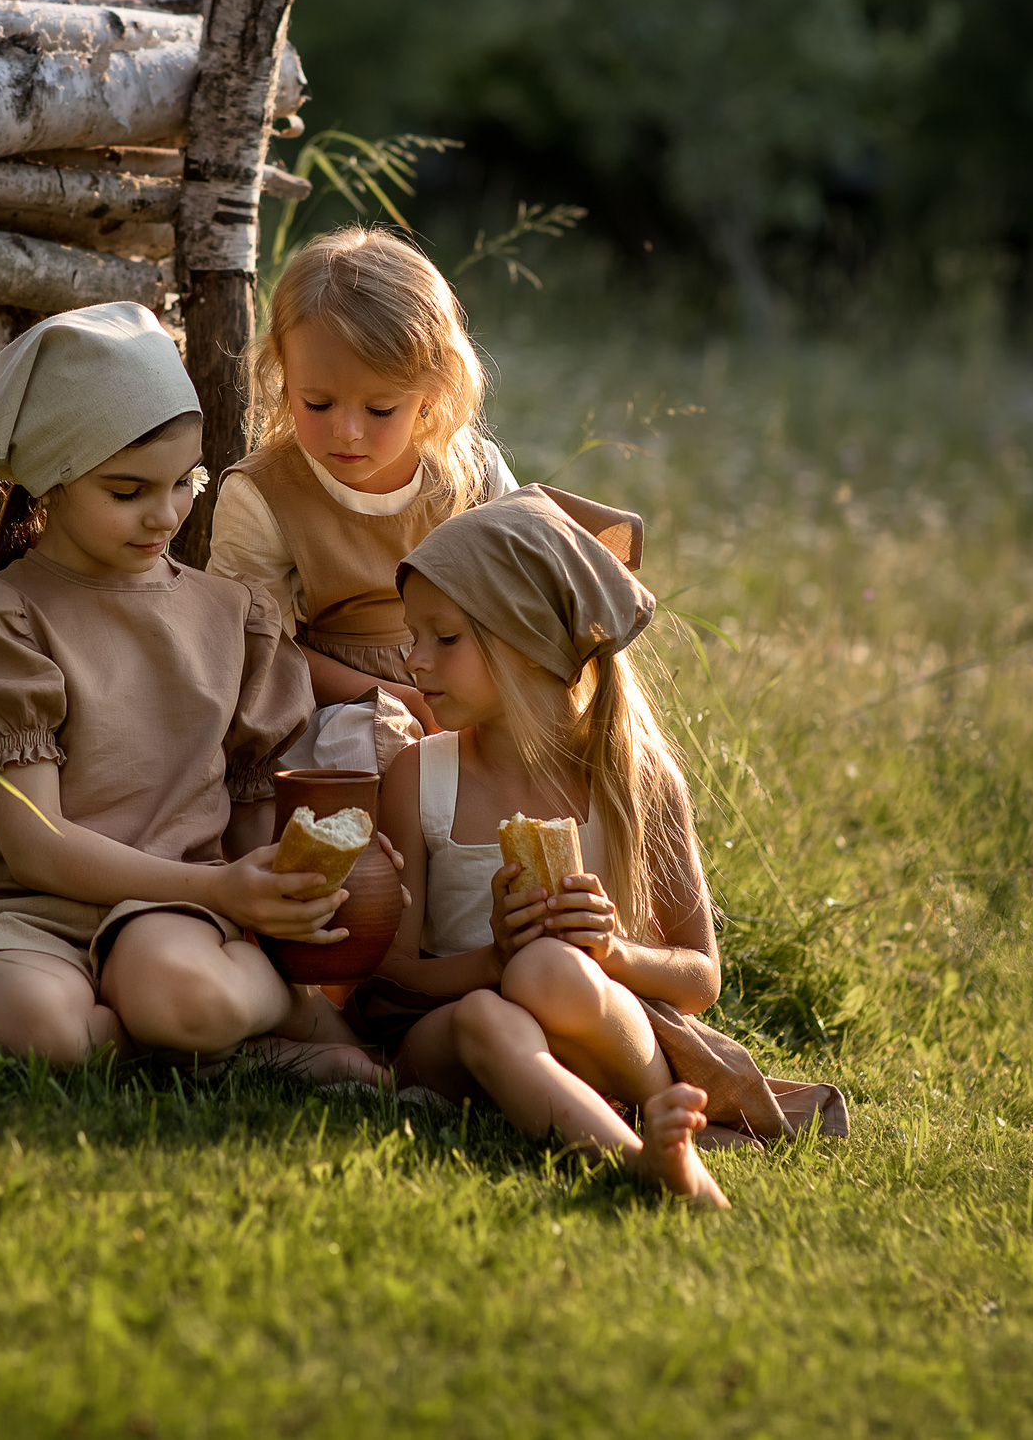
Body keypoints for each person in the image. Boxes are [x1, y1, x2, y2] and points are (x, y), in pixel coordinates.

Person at [0, 302, 379, 1081]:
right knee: (36, 1029)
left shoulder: (232, 618)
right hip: (30, 912)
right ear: (51, 481)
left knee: (176, 987)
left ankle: (252, 1020)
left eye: (184, 482)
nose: (165, 514)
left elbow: (249, 832)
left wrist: (273, 883)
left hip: (175, 918)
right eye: (128, 490)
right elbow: (35, 844)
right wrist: (222, 885)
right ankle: (231, 1054)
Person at [363, 486, 849, 1207]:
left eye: (445, 638)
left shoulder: (634, 777)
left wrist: (613, 953)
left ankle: (652, 1119)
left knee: (550, 971)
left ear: (527, 643)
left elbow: (699, 974)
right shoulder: (420, 775)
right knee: (497, 1004)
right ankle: (645, 1154)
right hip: (455, 1035)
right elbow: (391, 973)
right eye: (414, 635)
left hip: (594, 1020)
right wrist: (492, 959)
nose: (414, 661)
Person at [207, 227, 517, 775]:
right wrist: (401, 698)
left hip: (465, 683)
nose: (346, 432)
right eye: (319, 403)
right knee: (368, 748)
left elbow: (523, 596)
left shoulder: (469, 476)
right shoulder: (265, 495)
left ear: (434, 390)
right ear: (283, 376)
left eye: (379, 410)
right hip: (332, 703)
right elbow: (258, 650)